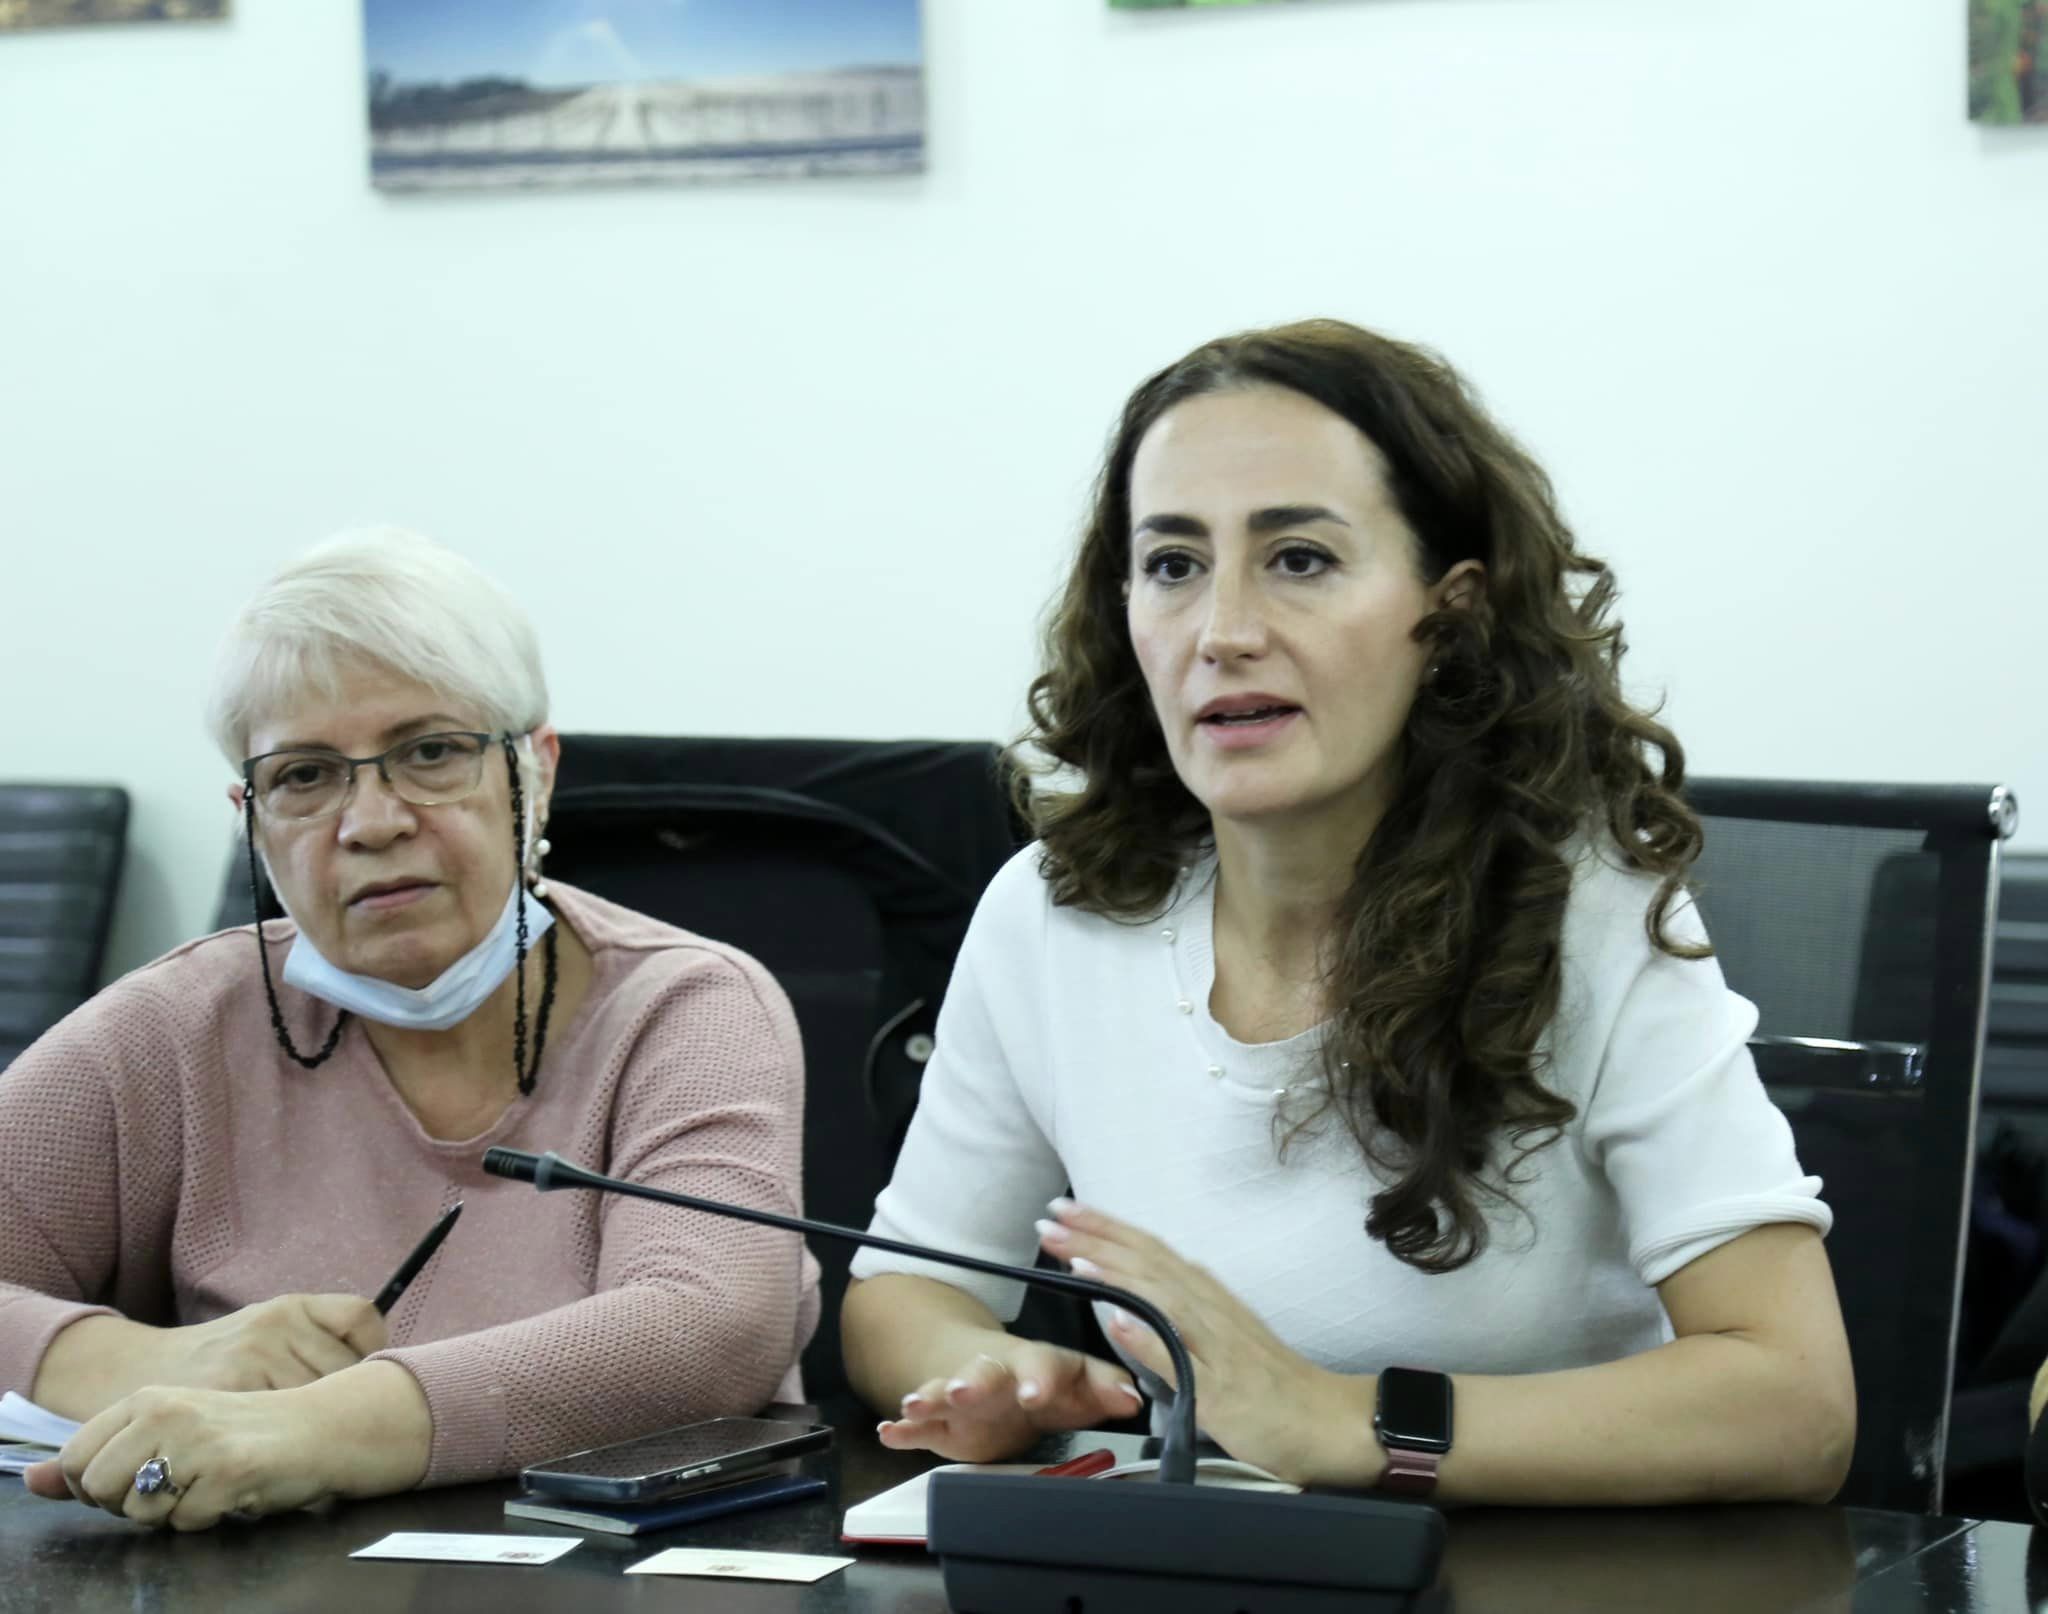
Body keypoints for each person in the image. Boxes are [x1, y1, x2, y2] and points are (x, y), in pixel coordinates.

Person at [841, 320, 1857, 1505]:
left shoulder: (1584, 913)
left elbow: (1794, 1403)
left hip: (1544, 1573)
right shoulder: (1052, 911)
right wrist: (990, 1371)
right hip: (1198, 1566)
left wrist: (1340, 1420)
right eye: (1170, 565)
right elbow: (901, 1292)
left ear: (1451, 613)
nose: (1221, 631)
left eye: (1298, 559)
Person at [0, 530, 818, 1530]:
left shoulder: (686, 1006)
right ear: (252, 818)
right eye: (306, 776)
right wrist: (140, 1359)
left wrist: (309, 1431)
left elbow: (712, 1326)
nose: (372, 822)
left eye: (431, 754)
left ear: (535, 773)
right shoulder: (179, 1025)